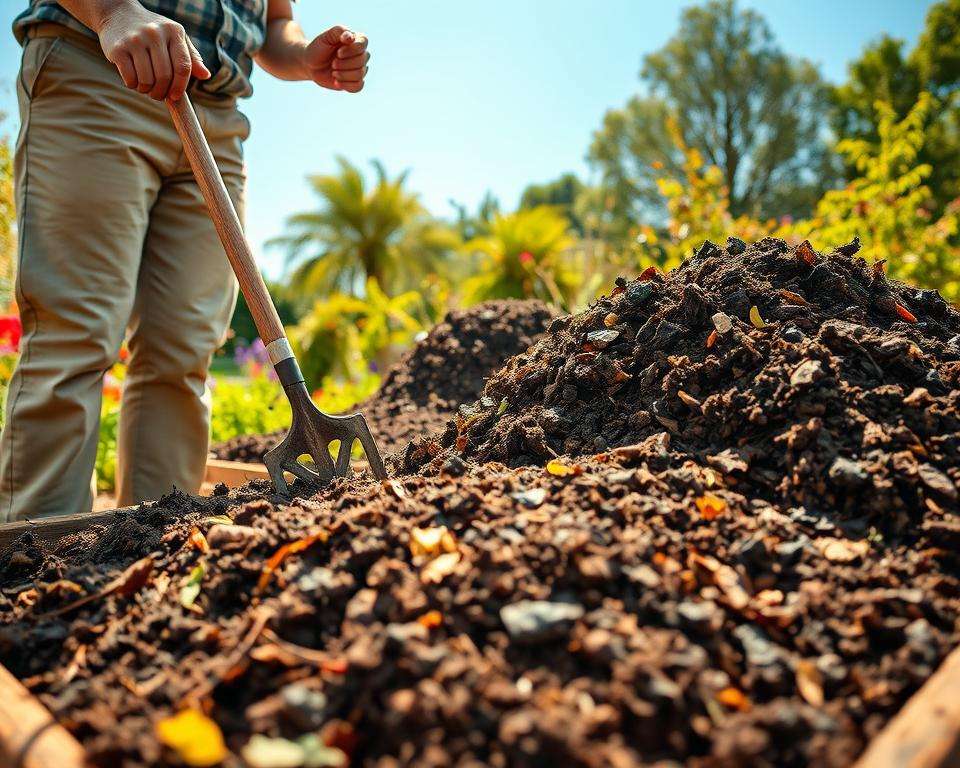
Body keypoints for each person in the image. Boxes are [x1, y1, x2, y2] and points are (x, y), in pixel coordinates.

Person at [1, 0, 369, 521]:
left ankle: (150, 543)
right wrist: (112, 13)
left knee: (183, 349)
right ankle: (34, 562)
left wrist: (303, 56)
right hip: (98, 68)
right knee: (76, 331)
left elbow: (274, 22)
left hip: (216, 115)